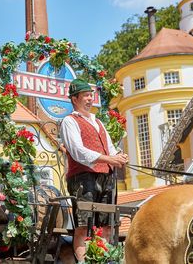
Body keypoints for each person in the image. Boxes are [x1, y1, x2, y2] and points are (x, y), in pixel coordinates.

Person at [60, 78, 128, 261]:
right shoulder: (69, 121)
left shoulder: (98, 122)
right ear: (74, 98)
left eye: (91, 95)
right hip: (83, 177)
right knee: (83, 226)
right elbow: (77, 151)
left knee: (107, 225)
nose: (90, 99)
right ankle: (83, 262)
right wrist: (109, 159)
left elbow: (110, 148)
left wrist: (119, 156)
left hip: (106, 176)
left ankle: (104, 260)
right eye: (86, 96)